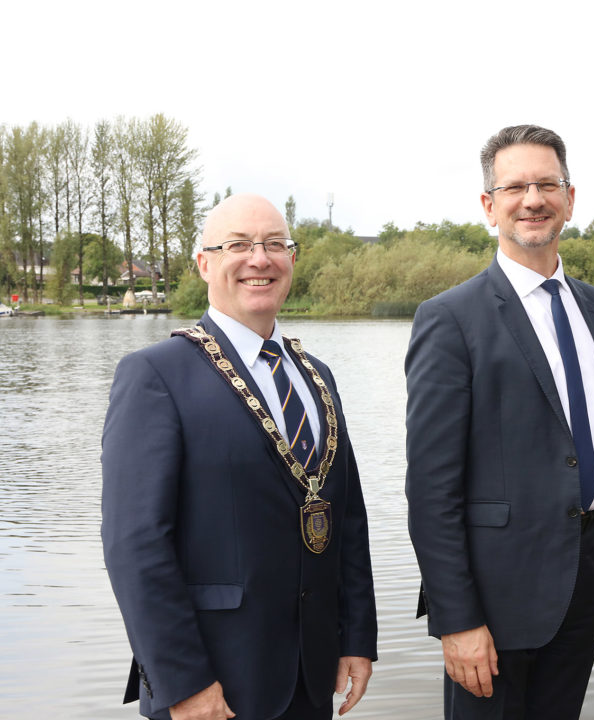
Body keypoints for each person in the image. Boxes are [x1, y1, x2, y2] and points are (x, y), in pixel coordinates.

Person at [102, 194, 377, 720]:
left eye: (275, 244)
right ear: (204, 263)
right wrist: (183, 683)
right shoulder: (156, 375)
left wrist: (357, 637)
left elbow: (348, 518)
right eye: (238, 245)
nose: (260, 259)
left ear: (291, 259)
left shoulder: (317, 375)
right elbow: (135, 543)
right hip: (214, 682)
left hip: (312, 676)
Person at [405, 124, 594, 719]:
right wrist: (457, 619)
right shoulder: (450, 319)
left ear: (570, 199)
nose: (533, 200)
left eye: (547, 185)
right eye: (515, 188)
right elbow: (431, 489)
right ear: (489, 205)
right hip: (493, 600)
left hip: (584, 577)